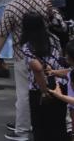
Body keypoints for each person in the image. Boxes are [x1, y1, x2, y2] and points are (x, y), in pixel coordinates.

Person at [0, 0, 65, 140]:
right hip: (48, 52)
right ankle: (61, 124)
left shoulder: (12, 7)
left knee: (24, 94)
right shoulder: (44, 2)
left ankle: (22, 130)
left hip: (22, 55)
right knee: (52, 87)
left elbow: (2, 33)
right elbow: (60, 24)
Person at [21, 11, 68, 141]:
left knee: (40, 126)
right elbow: (60, 57)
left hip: (39, 89)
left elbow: (37, 68)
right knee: (59, 125)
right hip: (60, 84)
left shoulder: (28, 46)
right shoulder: (52, 38)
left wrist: (44, 91)